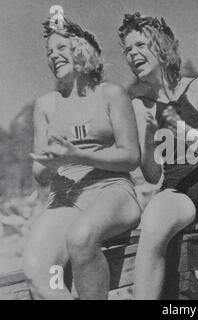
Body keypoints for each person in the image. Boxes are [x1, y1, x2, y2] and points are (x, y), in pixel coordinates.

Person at [118, 12, 198, 300]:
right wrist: (149, 139)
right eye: (127, 49)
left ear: (162, 47)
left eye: (140, 45)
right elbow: (152, 176)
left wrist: (178, 126)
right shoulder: (140, 105)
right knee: (151, 230)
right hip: (176, 187)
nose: (132, 54)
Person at [23, 18, 141, 299]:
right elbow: (39, 174)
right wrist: (50, 165)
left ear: (82, 48)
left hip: (111, 191)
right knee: (38, 272)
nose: (53, 56)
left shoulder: (110, 93)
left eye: (61, 47)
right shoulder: (46, 106)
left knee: (81, 237)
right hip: (64, 198)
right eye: (49, 52)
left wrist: (78, 155)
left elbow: (131, 157)